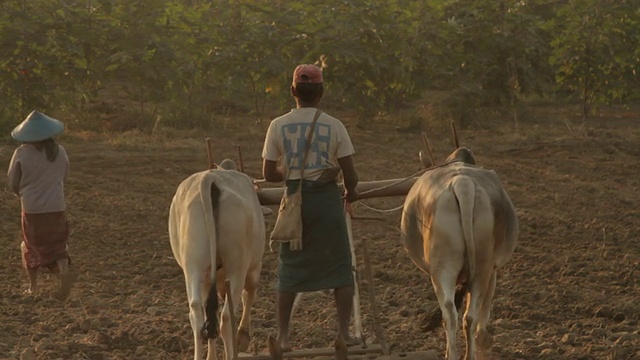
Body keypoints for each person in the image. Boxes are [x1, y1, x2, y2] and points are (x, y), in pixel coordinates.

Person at [262, 64, 360, 351]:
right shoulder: (334, 125)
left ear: (293, 91)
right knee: (341, 267)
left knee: (289, 269)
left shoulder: (277, 125)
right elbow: (351, 176)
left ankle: (282, 338)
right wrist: (351, 192)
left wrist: (292, 173)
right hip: (327, 203)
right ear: (321, 92)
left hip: (293, 204)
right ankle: (343, 333)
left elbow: (268, 174)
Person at [7, 110, 73, 300]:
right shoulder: (60, 151)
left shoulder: (21, 153)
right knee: (58, 244)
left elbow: (13, 182)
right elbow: (64, 176)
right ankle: (64, 274)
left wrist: (22, 194)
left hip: (32, 208)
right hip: (57, 205)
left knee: (30, 245)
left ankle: (33, 287)